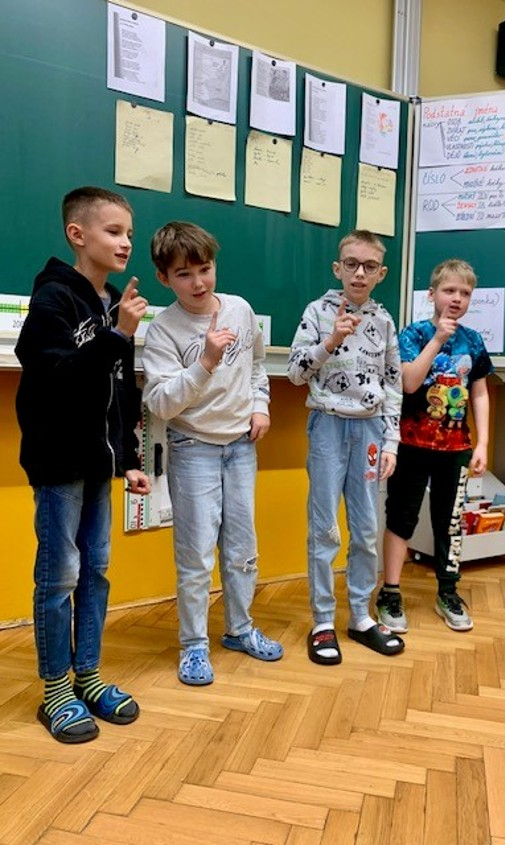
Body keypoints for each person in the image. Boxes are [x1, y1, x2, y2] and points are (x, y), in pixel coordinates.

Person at [15, 186, 151, 744]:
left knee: (96, 570)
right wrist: (117, 335)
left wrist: (132, 457)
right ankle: (55, 690)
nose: (125, 243)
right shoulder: (53, 298)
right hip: (58, 462)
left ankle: (88, 676)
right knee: (59, 576)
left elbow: (121, 392)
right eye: (113, 231)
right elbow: (54, 375)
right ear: (78, 234)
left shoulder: (114, 301)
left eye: (129, 234)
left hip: (100, 462)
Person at [142, 221, 283, 687]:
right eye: (184, 274)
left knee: (243, 549)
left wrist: (260, 405)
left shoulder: (239, 310)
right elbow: (160, 403)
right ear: (164, 278)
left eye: (204, 269)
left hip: (241, 446)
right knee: (196, 555)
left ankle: (240, 629)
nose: (198, 282)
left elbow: (258, 365)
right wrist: (204, 362)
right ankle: (194, 645)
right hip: (193, 448)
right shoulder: (163, 331)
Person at [288, 229, 404, 665]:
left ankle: (360, 616)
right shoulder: (317, 313)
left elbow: (393, 385)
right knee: (324, 527)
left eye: (369, 266)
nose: (359, 273)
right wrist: (330, 341)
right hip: (328, 427)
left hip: (371, 431)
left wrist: (391, 441)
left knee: (367, 528)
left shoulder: (385, 321)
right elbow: (296, 373)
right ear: (338, 268)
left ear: (381, 273)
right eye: (351, 264)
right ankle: (322, 620)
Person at [376, 258, 493, 634]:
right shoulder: (413, 334)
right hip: (411, 444)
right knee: (401, 518)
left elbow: (480, 392)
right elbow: (409, 382)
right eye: (449, 290)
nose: (457, 298)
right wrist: (439, 339)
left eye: (465, 293)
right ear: (432, 294)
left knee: (450, 523)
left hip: (455, 448)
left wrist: (482, 443)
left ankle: (448, 591)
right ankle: (390, 593)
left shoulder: (473, 341)